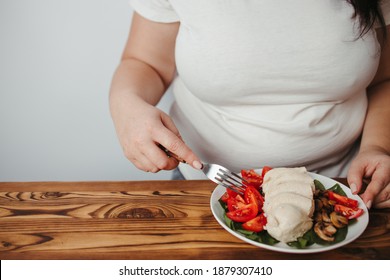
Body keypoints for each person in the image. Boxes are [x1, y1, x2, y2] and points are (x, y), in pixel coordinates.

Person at [109, 0, 390, 209]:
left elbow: (383, 80)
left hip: (342, 187)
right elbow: (146, 62)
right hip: (204, 186)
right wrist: (126, 106)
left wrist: (378, 147)